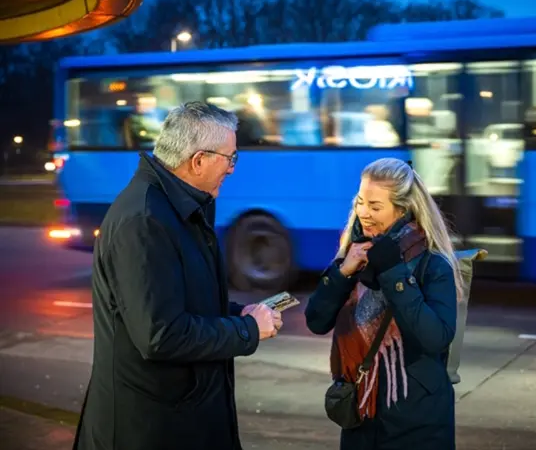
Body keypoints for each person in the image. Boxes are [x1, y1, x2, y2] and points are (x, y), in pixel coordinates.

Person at [73, 102, 282, 450]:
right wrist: (245, 331)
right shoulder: (144, 221)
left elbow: (181, 298)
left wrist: (235, 315)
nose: (232, 169)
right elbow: (160, 334)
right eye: (230, 158)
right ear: (198, 160)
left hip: (176, 415)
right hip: (149, 426)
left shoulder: (175, 208)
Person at [305, 157, 462, 450]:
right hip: (361, 416)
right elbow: (316, 320)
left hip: (417, 422)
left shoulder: (432, 264)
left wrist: (394, 274)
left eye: (375, 207)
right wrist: (342, 272)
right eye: (360, 202)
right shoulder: (354, 255)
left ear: (402, 210)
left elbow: (436, 337)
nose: (364, 213)